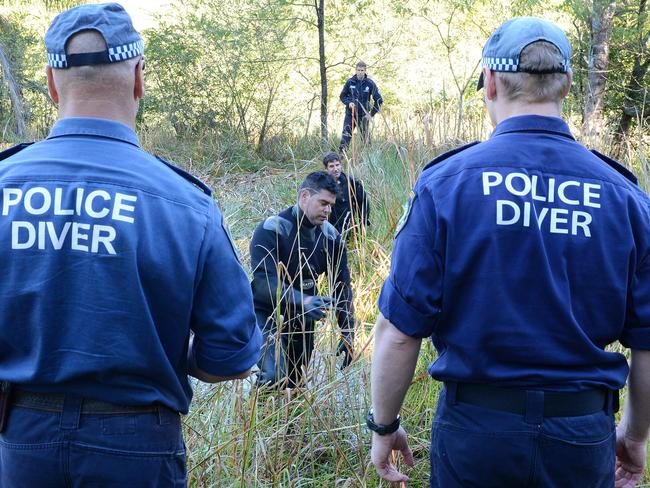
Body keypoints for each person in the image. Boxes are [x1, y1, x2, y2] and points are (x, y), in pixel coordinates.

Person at [369, 17, 650, 488]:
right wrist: (635, 435)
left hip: (476, 434)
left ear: (491, 82)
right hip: (580, 435)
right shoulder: (625, 198)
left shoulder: (447, 185)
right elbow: (646, 340)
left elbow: (398, 333)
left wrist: (384, 425)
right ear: (563, 85)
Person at [0, 4, 262, 487]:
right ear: (139, 77)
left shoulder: (5, 182)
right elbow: (231, 354)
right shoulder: (187, 204)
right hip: (139, 446)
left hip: (18, 442)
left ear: (52, 83)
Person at [250, 171, 355, 388]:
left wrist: (347, 331)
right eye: (323, 203)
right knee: (274, 376)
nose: (328, 210)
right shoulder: (272, 229)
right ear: (305, 196)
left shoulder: (331, 237)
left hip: (302, 320)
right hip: (267, 316)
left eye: (331, 205)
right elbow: (262, 284)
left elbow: (342, 286)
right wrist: (304, 300)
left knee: (295, 384)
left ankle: (288, 423)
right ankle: (256, 415)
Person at [338, 61, 383, 153]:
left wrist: (371, 114)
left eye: (362, 70)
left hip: (363, 116)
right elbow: (342, 96)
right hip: (350, 115)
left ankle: (368, 157)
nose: (360, 72)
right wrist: (348, 103)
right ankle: (341, 157)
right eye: (358, 70)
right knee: (346, 136)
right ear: (356, 70)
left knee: (365, 139)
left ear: (365, 71)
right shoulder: (350, 82)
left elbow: (379, 100)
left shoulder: (370, 84)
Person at [322, 152, 370, 236]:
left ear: (341, 165)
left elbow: (363, 203)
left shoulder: (352, 183)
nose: (336, 169)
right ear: (326, 169)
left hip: (350, 230)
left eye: (337, 165)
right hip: (329, 229)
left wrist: (361, 224)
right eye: (331, 166)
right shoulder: (321, 184)